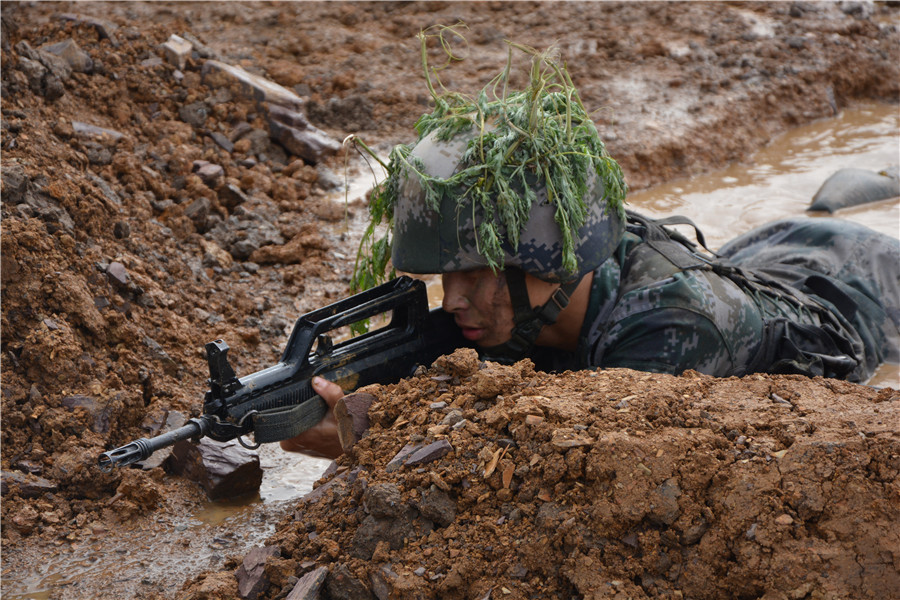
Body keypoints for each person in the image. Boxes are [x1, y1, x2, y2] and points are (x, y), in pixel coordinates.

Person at [281, 48, 900, 459]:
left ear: (548, 263)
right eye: (447, 273)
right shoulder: (531, 301)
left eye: (476, 272)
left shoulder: (672, 330)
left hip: (867, 289)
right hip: (772, 253)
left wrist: (377, 441)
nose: (456, 298)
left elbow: (574, 470)